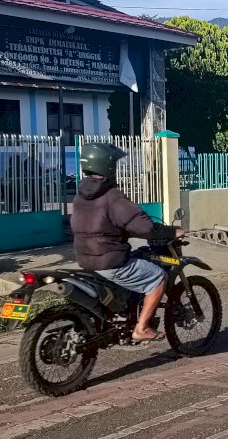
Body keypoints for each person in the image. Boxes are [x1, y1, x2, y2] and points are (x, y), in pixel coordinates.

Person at [70, 143, 183, 342]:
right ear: (108, 165)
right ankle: (141, 327)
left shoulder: (80, 196)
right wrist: (172, 231)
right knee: (158, 278)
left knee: (137, 258)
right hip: (109, 261)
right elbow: (144, 227)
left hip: (85, 259)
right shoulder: (111, 197)